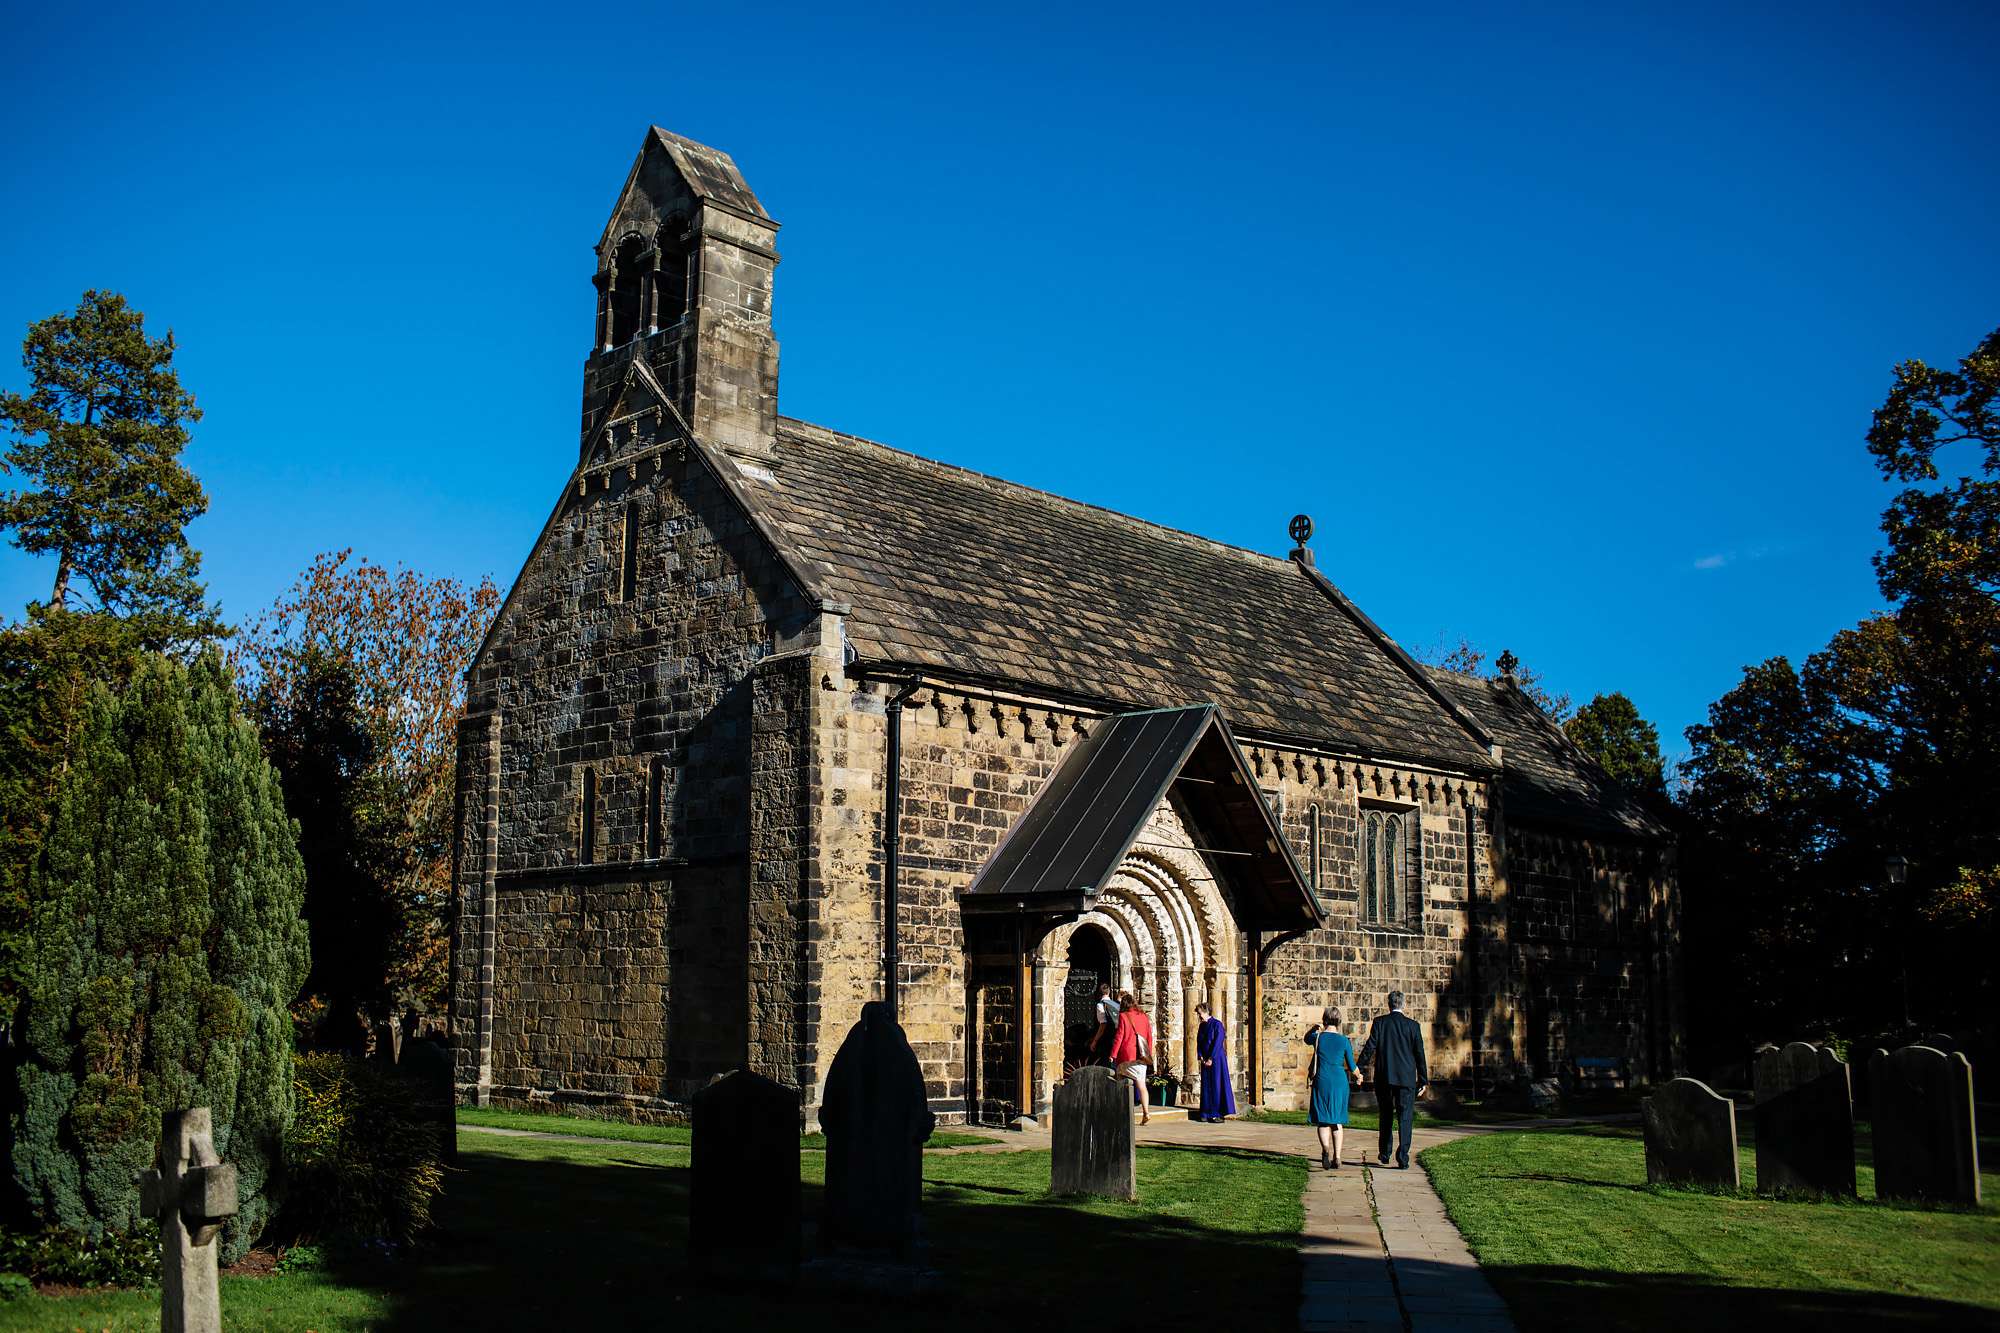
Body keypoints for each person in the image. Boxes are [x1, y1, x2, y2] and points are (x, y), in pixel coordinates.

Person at [1357, 990, 1427, 1169]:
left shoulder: (1380, 1023)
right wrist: (1423, 1079)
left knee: (1386, 1115)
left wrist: (1358, 1067)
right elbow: (1419, 1054)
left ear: (1389, 1004)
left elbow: (1370, 1046)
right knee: (1405, 1118)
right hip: (1406, 1080)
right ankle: (1402, 1157)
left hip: (1385, 1078)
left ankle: (1385, 1152)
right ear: (1403, 1004)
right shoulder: (1413, 1026)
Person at [1306, 1006, 1359, 1169]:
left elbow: (1306, 1039)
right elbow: (1352, 1065)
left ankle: (1325, 1151)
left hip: (1322, 1079)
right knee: (1337, 1121)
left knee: (1323, 1121)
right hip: (1339, 1082)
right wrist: (1359, 1076)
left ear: (1325, 1019)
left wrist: (1313, 1029)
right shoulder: (1344, 1041)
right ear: (1339, 1021)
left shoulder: (1318, 1038)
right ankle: (1338, 1156)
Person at [1110, 993, 1154, 1125]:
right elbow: (1149, 1036)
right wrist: (1148, 1053)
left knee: (1119, 1078)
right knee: (1141, 1085)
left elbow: (1120, 1036)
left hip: (1127, 1056)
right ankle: (1146, 1112)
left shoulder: (1123, 1016)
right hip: (1141, 1056)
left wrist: (1113, 1054)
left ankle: (1121, 1111)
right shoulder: (1144, 1016)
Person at [1194, 1001, 1234, 1123]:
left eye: (1200, 1013)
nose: (1199, 1016)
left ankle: (1215, 1113)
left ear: (1206, 1011)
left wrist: (1211, 1058)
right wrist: (1201, 1056)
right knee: (1206, 1086)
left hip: (1216, 1060)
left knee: (1216, 1085)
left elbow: (1218, 1042)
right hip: (1205, 1059)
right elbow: (1199, 1042)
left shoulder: (1217, 1025)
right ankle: (1205, 1113)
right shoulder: (1202, 1026)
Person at [1090, 982, 1120, 1066]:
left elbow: (1103, 1025)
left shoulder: (1100, 1005)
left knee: (1105, 1061)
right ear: (1109, 992)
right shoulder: (1116, 1004)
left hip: (1106, 1038)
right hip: (1116, 1036)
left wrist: (1095, 1041)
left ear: (1098, 993)